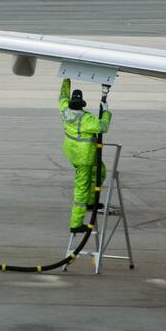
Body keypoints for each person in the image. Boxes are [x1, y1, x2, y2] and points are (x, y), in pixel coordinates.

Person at [58, 77, 112, 232]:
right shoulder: (86, 119)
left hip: (73, 153)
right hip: (84, 158)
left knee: (99, 171)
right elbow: (102, 126)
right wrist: (106, 111)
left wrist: (66, 79)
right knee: (81, 187)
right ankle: (76, 223)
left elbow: (62, 97)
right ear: (82, 104)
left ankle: (90, 201)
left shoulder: (64, 111)